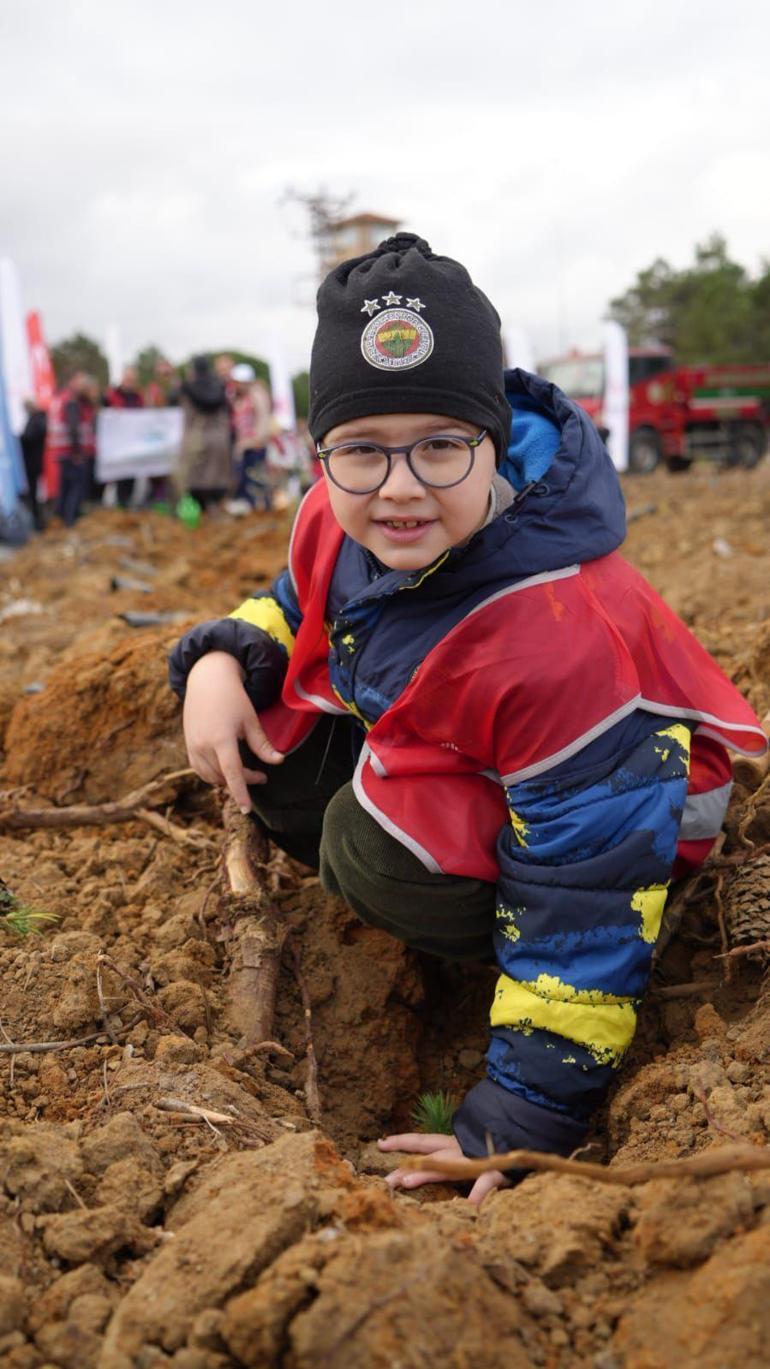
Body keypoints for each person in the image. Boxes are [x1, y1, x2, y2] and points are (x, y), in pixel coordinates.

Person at [168, 233, 766, 1205]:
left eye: (439, 446)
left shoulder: (558, 634)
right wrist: (222, 658)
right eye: (361, 451)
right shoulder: (342, 512)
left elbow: (586, 893)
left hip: (634, 824)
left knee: (366, 848)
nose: (397, 485)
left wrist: (517, 1120)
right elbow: (295, 597)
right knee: (267, 726)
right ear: (321, 455)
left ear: (492, 440)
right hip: (495, 754)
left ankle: (469, 942)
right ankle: (437, 860)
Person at [175, 356, 232, 511]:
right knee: (217, 481)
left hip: (196, 440)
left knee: (195, 481)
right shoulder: (219, 387)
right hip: (219, 441)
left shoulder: (186, 388)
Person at [47, 371, 98, 527]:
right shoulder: (72, 402)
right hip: (71, 453)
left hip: (63, 452)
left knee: (65, 488)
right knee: (75, 488)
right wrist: (77, 452)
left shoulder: (64, 398)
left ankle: (61, 519)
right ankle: (70, 521)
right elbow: (73, 428)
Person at [225, 365, 273, 515]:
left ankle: (263, 510)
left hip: (255, 446)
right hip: (243, 446)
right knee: (245, 481)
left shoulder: (257, 395)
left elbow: (263, 420)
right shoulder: (237, 397)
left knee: (256, 480)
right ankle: (250, 510)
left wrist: (258, 440)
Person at [103, 365, 144, 508]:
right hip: (116, 445)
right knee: (117, 477)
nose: (130, 382)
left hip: (132, 445)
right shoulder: (110, 395)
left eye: (133, 380)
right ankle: (116, 505)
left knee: (130, 477)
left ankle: (126, 504)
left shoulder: (138, 397)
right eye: (128, 379)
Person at [19, 398, 47, 530]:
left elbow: (29, 437)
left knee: (35, 492)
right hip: (35, 462)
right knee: (35, 492)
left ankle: (38, 521)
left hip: (33, 462)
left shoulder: (36, 420)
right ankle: (38, 519)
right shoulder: (39, 419)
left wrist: (18, 439)